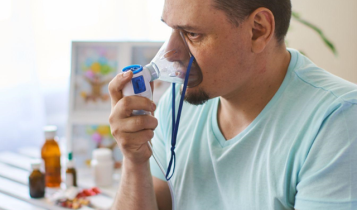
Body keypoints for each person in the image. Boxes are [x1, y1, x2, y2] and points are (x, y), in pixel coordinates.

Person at [108, 0, 357, 209]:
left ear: (258, 30)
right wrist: (135, 159)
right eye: (172, 31)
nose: (172, 54)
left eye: (192, 34)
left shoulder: (338, 121)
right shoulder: (176, 105)